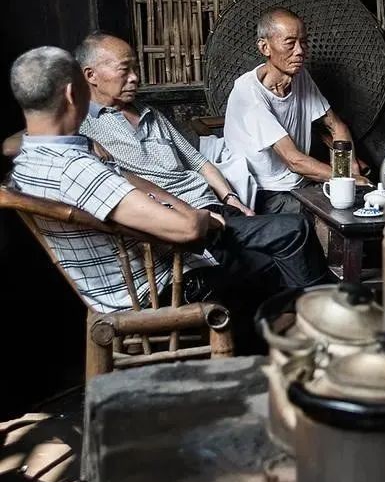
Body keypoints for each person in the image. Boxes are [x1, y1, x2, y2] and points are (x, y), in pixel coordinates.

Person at [72, 32, 327, 292]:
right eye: (124, 70)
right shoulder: (84, 129)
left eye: (135, 68)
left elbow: (197, 161)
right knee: (295, 228)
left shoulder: (149, 112)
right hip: (186, 224)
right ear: (91, 75)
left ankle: (307, 313)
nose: (135, 77)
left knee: (279, 260)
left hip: (215, 207)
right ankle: (323, 313)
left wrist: (231, 198)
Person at [7, 46, 220, 314]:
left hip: (127, 283)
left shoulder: (28, 161)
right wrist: (203, 216)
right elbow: (188, 229)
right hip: (163, 288)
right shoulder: (76, 168)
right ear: (74, 94)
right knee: (274, 255)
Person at [224, 7, 370, 214]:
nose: (300, 51)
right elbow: (293, 160)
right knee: (337, 215)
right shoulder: (249, 93)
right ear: (265, 47)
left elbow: (335, 125)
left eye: (303, 42)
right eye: (290, 43)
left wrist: (349, 170)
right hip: (267, 192)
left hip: (300, 184)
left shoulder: (300, 76)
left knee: (363, 203)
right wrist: (347, 180)